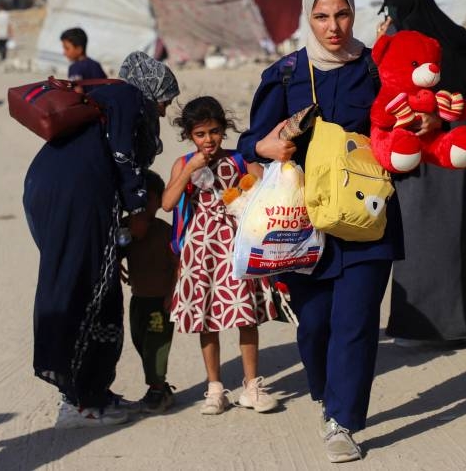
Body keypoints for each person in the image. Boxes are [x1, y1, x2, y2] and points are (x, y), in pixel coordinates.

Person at [237, 0, 406, 463]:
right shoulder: (286, 74)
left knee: (356, 322)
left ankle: (343, 420)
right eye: (322, 16)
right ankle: (325, 393)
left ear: (355, 13)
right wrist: (264, 146)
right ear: (308, 18)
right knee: (314, 326)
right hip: (302, 225)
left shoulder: (377, 68)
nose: (334, 27)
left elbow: (403, 118)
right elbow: (251, 141)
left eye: (343, 14)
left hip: (366, 217)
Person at [23, 51, 181, 429]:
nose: (162, 112)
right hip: (77, 198)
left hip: (52, 192)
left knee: (90, 284)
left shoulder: (107, 102)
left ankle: (91, 392)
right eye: (164, 100)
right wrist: (140, 207)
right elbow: (124, 156)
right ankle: (81, 402)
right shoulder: (128, 98)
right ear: (151, 88)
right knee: (87, 290)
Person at [380, 0, 466, 345]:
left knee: (419, 235)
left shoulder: (400, 44)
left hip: (422, 155)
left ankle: (423, 327)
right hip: (464, 150)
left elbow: (382, 93)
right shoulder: (458, 38)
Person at [164, 96, 278, 417]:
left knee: (245, 315)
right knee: (206, 318)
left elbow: (266, 189)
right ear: (190, 136)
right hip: (201, 250)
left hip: (237, 245)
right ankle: (215, 388)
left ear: (223, 130)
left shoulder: (240, 159)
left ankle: (252, 386)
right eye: (200, 134)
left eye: (214, 131)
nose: (209, 140)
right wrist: (189, 169)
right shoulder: (184, 163)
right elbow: (168, 202)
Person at [122, 170, 177, 414]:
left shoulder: (165, 232)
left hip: (160, 301)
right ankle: (160, 386)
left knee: (157, 345)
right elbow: (114, 251)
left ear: (159, 201)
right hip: (138, 299)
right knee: (140, 341)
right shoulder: (125, 228)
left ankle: (157, 388)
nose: (143, 207)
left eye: (149, 201)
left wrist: (173, 293)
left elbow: (179, 264)